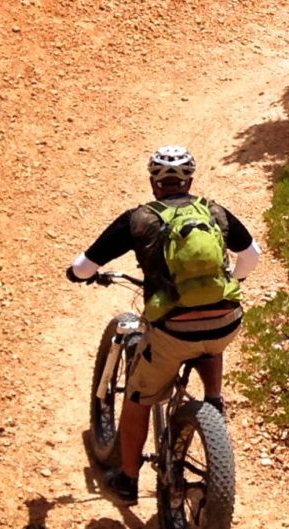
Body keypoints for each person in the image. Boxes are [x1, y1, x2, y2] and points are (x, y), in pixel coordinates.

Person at [68, 146, 261, 506]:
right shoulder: (215, 211)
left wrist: (78, 275)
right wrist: (230, 281)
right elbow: (252, 256)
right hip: (226, 321)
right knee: (209, 338)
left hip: (172, 330)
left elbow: (84, 265)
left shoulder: (139, 220)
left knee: (138, 399)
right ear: (190, 179)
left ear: (154, 183)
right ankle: (214, 400)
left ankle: (127, 480)